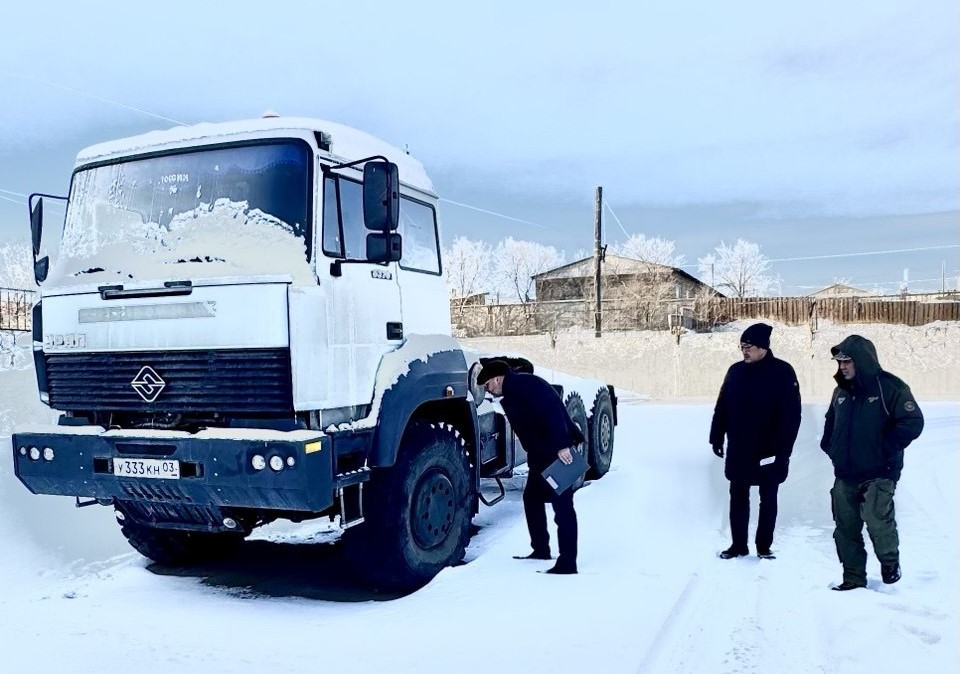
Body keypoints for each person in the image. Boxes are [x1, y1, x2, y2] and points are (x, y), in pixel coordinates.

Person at [821, 335, 924, 591]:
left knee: (877, 518)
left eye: (847, 361)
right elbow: (830, 420)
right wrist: (830, 446)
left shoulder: (890, 387)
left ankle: (890, 562)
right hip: (845, 472)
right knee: (845, 528)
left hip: (880, 471)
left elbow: (912, 421)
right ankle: (853, 578)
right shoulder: (840, 392)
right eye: (839, 361)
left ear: (862, 361)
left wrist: (884, 447)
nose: (842, 366)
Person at [477, 359, 584, 574]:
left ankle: (568, 562)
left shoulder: (527, 386)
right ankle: (541, 549)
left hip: (557, 452)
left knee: (562, 506)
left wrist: (563, 445)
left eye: (488, 385)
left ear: (498, 379)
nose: (488, 390)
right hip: (540, 453)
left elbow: (552, 412)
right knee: (532, 499)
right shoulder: (514, 390)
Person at [709, 322, 801, 560]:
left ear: (763, 347)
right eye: (742, 346)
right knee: (738, 495)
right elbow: (723, 406)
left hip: (769, 449)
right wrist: (716, 436)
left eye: (748, 346)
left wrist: (784, 450)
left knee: (768, 497)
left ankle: (763, 546)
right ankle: (738, 545)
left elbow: (792, 415)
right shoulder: (735, 371)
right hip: (740, 447)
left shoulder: (782, 372)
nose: (744, 351)